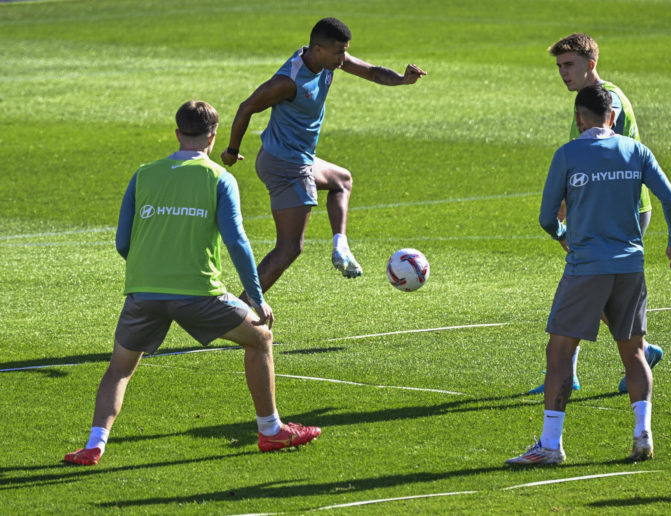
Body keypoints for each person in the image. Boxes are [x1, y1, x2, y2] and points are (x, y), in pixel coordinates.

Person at [64, 101, 320, 465]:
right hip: (200, 294)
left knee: (119, 368)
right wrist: (257, 298)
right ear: (213, 136)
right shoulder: (219, 178)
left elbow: (123, 242)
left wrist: (150, 269)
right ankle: (270, 430)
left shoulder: (144, 174)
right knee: (260, 338)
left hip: (143, 293)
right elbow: (236, 242)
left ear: (177, 133)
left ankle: (94, 445)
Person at [507, 85, 671, 465]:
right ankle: (643, 435)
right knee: (634, 352)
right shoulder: (635, 150)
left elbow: (546, 217)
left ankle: (550, 445)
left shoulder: (568, 154)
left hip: (586, 268)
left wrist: (562, 237)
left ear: (578, 117)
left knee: (559, 354)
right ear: (613, 117)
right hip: (630, 267)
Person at [221, 17, 426, 293]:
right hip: (287, 165)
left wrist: (402, 80)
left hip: (296, 158)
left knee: (342, 180)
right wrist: (232, 151)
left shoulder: (328, 61)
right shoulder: (288, 81)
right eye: (339, 52)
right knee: (289, 248)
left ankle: (340, 245)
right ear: (318, 49)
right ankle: (242, 311)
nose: (344, 58)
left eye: (345, 51)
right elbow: (247, 107)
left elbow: (373, 72)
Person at [528, 32, 662, 395]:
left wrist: (560, 218)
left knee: (588, 288)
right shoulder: (591, 101)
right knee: (589, 288)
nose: (563, 73)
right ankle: (582, 368)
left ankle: (634, 354)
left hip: (618, 213)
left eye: (569, 65)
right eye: (559, 66)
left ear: (591, 64)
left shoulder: (608, 104)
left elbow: (603, 168)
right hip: (600, 211)